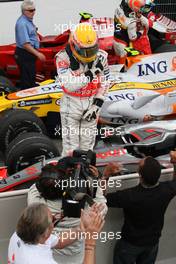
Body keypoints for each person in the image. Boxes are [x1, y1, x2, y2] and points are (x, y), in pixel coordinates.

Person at [27, 159, 108, 264]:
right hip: (77, 258)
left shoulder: (35, 206)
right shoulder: (88, 212)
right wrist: (92, 179)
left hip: (49, 255)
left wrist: (58, 172)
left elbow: (36, 185)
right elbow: (102, 205)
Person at [102, 154, 176, 264]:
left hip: (129, 245)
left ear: (140, 175)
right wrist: (174, 163)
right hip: (152, 243)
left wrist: (106, 175)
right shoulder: (167, 190)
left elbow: (101, 199)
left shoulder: (129, 196)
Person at [55, 22, 110, 157]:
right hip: (71, 104)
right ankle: (69, 177)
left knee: (87, 149)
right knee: (70, 150)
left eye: (92, 49)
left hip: (92, 102)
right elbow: (69, 85)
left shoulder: (102, 57)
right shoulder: (62, 58)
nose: (89, 54)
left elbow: (105, 81)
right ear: (74, 45)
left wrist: (97, 105)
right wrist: (91, 73)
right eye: (85, 50)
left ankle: (86, 177)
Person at [8, 202, 105, 264]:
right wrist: (90, 243)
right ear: (46, 233)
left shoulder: (21, 233)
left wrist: (81, 227)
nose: (57, 218)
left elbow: (59, 241)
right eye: (53, 219)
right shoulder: (41, 261)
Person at [15, 0, 46, 89]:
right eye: (31, 11)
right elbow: (25, 44)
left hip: (29, 53)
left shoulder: (28, 21)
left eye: (34, 10)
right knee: (27, 81)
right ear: (24, 11)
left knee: (31, 78)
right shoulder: (22, 23)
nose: (33, 12)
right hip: (25, 54)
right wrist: (38, 54)